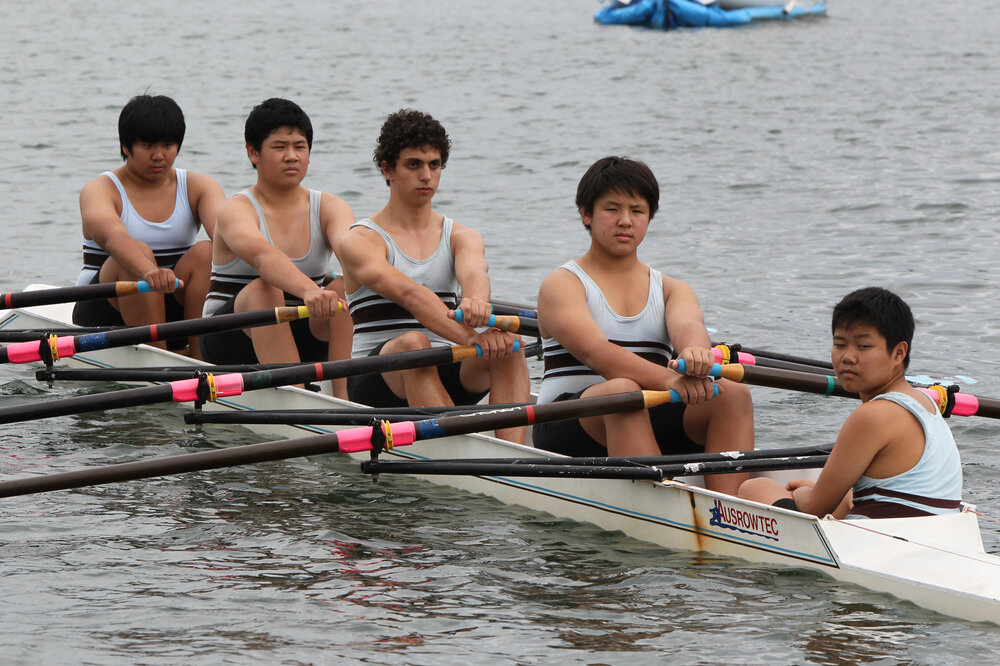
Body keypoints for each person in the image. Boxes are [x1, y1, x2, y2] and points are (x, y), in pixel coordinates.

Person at [532, 156, 754, 495]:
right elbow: (598, 353)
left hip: (643, 408)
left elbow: (689, 326)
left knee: (731, 393)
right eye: (612, 209)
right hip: (566, 420)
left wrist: (696, 353)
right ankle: (656, 504)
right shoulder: (562, 284)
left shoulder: (672, 289)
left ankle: (734, 510)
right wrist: (670, 379)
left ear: (649, 217)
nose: (625, 221)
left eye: (637, 211)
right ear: (586, 213)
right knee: (624, 392)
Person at [339, 109, 529, 443]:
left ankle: (512, 459)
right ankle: (457, 452)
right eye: (414, 164)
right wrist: (472, 338)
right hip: (377, 380)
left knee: (511, 345)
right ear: (388, 170)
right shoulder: (360, 241)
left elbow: (475, 274)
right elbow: (412, 296)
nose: (426, 175)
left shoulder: (462, 235)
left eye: (435, 164)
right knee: (416, 343)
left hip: (446, 363)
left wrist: (476, 303)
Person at [738, 287, 963, 519]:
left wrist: (805, 492)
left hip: (875, 542)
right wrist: (815, 493)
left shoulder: (874, 415)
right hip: (930, 534)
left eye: (863, 346)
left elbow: (814, 507)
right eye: (840, 344)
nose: (848, 357)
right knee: (844, 494)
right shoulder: (926, 401)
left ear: (899, 352)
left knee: (755, 487)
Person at [198, 98, 354, 398]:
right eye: (280, 147)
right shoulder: (237, 210)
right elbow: (262, 256)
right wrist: (310, 290)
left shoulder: (330, 207)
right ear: (253, 152)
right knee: (264, 290)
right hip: (229, 337)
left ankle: (345, 399)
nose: (292, 156)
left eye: (300, 146)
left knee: (347, 287)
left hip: (303, 328)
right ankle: (296, 401)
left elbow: (353, 252)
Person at [74, 94, 225, 358]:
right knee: (136, 251)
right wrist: (148, 271)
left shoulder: (199, 186)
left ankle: (202, 358)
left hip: (174, 305)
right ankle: (158, 361)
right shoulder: (100, 189)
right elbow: (112, 237)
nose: (159, 155)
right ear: (126, 147)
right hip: (107, 307)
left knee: (207, 251)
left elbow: (230, 240)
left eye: (168, 145)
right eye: (147, 145)